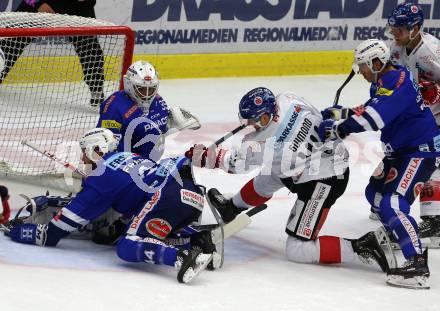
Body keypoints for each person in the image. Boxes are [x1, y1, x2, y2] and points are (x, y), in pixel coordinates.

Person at [186, 87, 393, 280]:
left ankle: (360, 246)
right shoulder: (287, 99)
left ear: (268, 114)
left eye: (258, 120)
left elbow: (235, 164)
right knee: (270, 175)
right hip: (315, 161)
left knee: (298, 249)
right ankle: (231, 208)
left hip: (324, 180)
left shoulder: (261, 143)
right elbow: (319, 115)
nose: (254, 125)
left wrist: (204, 157)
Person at [4, 127, 217, 284]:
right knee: (147, 233)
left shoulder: (100, 177)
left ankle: (182, 259)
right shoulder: (127, 156)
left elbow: (50, 235)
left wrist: (19, 231)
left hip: (165, 197)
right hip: (191, 196)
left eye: (85, 151)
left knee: (127, 246)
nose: (82, 158)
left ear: (98, 148)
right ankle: (197, 239)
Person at [317, 39, 440, 289]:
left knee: (392, 203)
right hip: (401, 152)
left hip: (419, 152)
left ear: (376, 62)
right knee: (374, 193)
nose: (360, 71)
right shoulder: (386, 81)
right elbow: (371, 108)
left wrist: (339, 129)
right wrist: (344, 113)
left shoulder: (399, 85)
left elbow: (376, 117)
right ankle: (399, 234)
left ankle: (417, 264)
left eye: (362, 66)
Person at [383, 2, 440, 248]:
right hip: (415, 118)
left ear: (416, 28)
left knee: (432, 164)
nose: (395, 33)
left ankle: (434, 221)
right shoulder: (396, 48)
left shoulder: (432, 53)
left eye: (400, 29)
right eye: (393, 28)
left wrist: (436, 92)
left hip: (436, 119)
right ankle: (384, 201)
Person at [0, 0, 105, 107]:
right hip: (45, 2)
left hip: (78, 5)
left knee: (89, 47)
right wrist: (38, 3)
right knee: (12, 40)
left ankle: (96, 89)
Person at [97, 60, 200, 160]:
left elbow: (156, 130)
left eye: (150, 89)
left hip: (148, 163)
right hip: (123, 165)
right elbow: (107, 145)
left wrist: (172, 126)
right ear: (129, 84)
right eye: (141, 89)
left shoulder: (159, 102)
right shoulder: (114, 107)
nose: (147, 95)